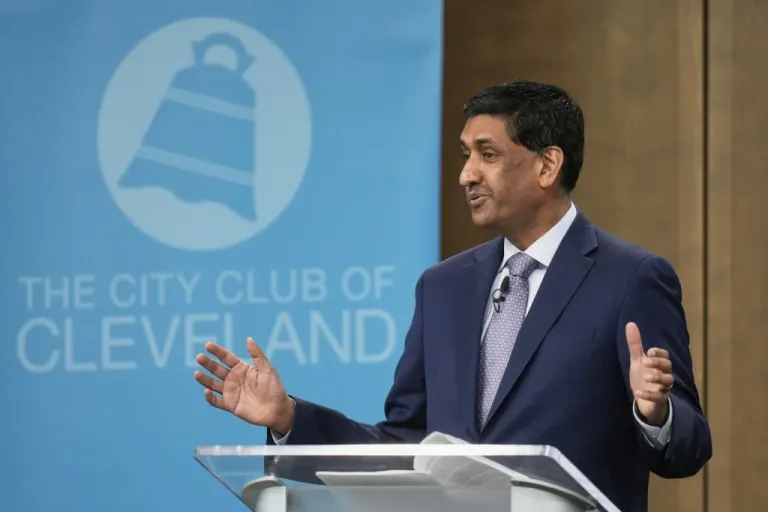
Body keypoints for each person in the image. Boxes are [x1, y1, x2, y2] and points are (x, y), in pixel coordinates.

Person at [194, 80, 712, 512]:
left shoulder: (631, 277)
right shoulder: (443, 287)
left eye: (487, 155)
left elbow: (690, 448)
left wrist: (656, 412)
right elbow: (405, 443)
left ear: (547, 166)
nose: (467, 174)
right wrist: (289, 418)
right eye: (466, 155)